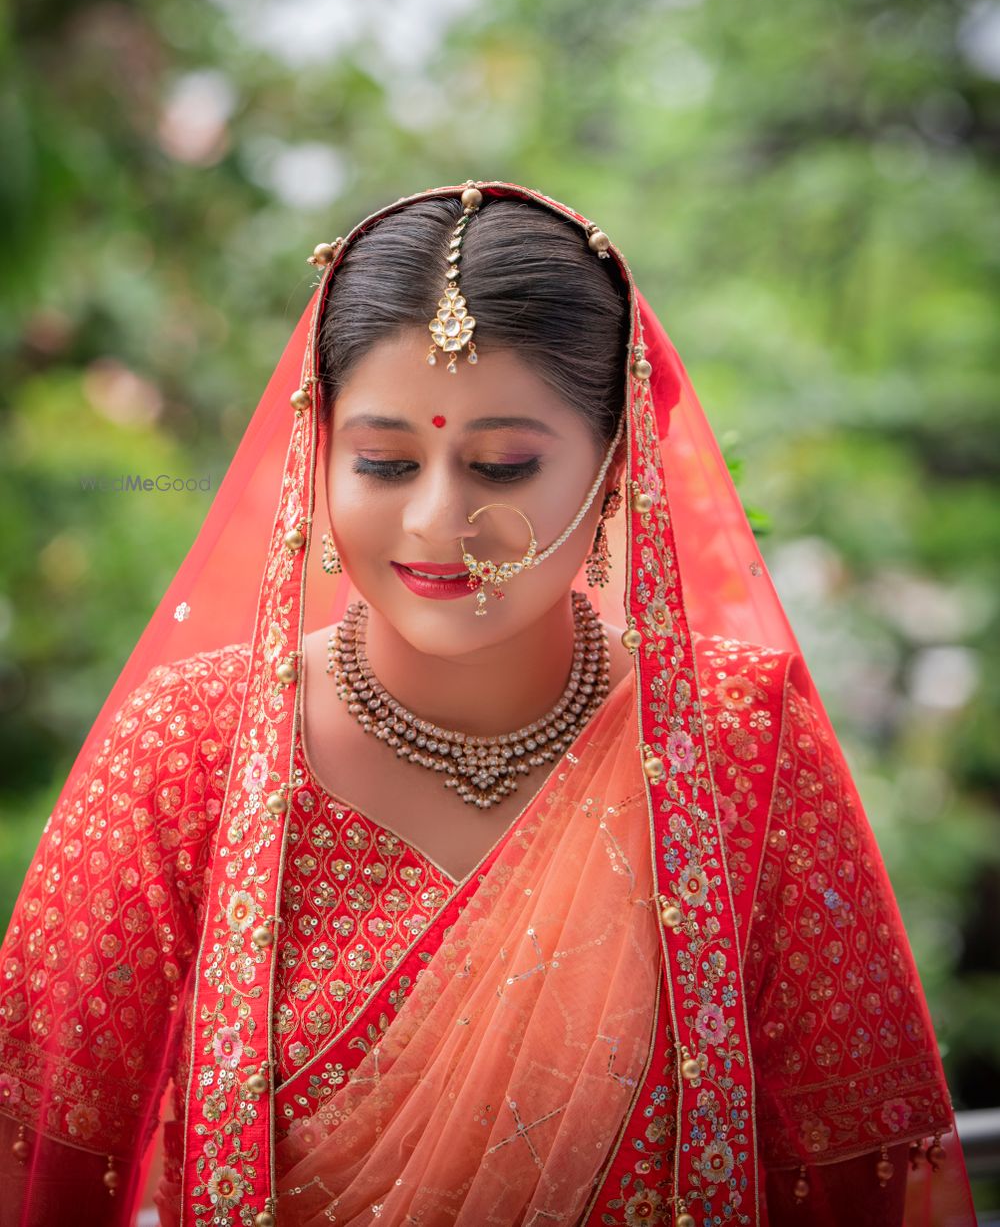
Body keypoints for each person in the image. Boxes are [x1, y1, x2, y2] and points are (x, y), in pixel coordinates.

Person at [0, 181, 978, 1226]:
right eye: (382, 460)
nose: (434, 518)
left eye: (503, 463)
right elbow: (40, 1159)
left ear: (616, 466)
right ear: (315, 457)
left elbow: (860, 1179)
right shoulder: (193, 744)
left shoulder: (738, 743)